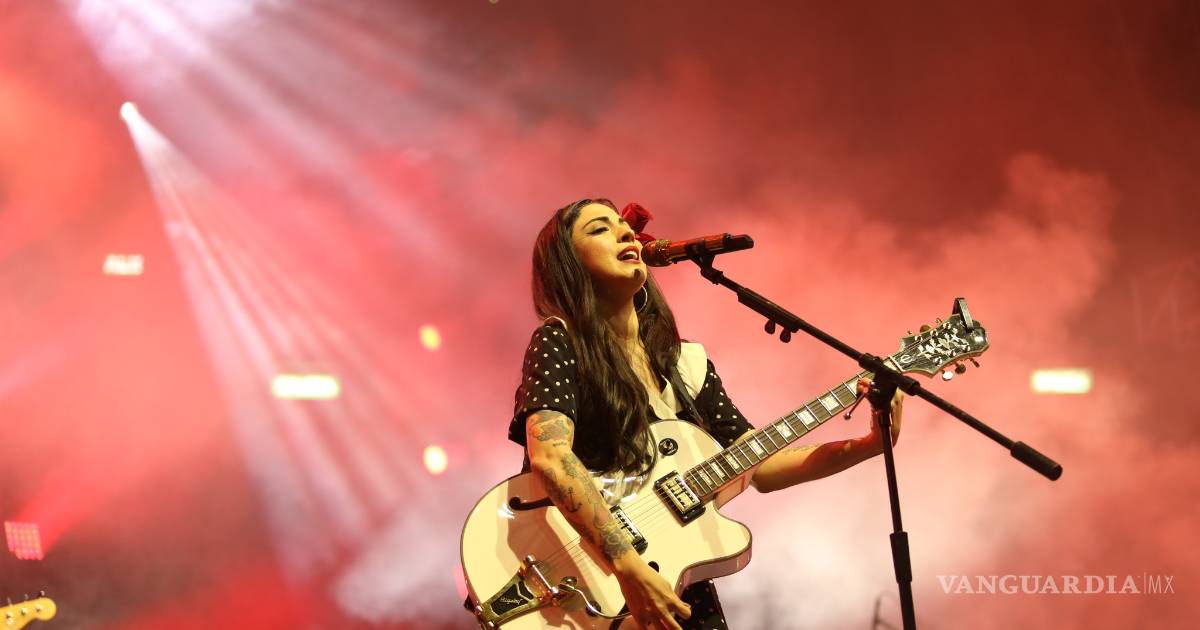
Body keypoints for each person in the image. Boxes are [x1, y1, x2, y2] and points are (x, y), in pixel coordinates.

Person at [506, 199, 904, 630]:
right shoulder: (560, 341)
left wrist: (870, 445)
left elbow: (761, 466)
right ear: (568, 264)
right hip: (586, 583)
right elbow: (551, 456)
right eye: (600, 229)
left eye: (624, 225)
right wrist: (626, 564)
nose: (625, 232)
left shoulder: (685, 362)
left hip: (679, 585)